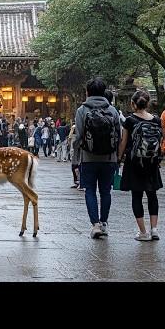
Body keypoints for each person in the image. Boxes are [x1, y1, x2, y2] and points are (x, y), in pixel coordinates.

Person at [73, 77, 120, 239]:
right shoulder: (112, 111)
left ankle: (95, 224)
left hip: (88, 157)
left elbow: (78, 137)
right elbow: (118, 136)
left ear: (88, 92)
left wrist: (75, 157)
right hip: (109, 158)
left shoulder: (82, 110)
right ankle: (104, 222)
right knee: (106, 191)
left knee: (90, 191)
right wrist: (117, 158)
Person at [117, 89, 162, 241]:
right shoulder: (156, 120)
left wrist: (119, 157)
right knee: (152, 195)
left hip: (134, 162)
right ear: (147, 103)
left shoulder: (129, 121)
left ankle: (143, 232)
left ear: (133, 103)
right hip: (152, 162)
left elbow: (123, 142)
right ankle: (154, 230)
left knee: (137, 195)